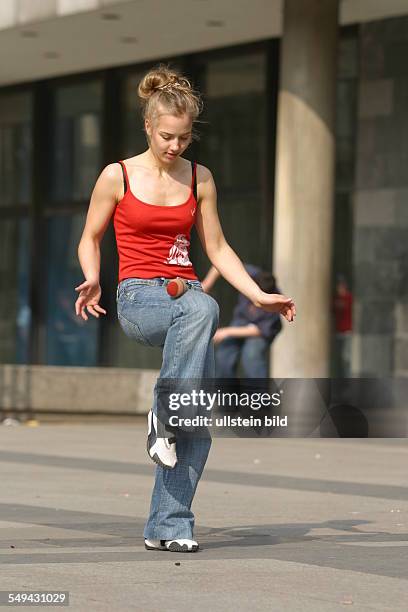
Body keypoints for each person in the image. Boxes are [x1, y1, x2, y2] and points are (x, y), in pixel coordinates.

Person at [74, 65, 296, 554]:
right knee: (203, 309)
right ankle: (164, 413)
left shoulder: (200, 178)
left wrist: (258, 295)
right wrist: (93, 277)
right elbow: (90, 237)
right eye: (166, 136)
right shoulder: (118, 175)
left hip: (186, 300)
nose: (175, 147)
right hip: (138, 298)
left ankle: (168, 524)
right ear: (149, 127)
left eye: (184, 137)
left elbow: (216, 248)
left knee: (195, 422)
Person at [202, 264, 282, 378]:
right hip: (242, 319)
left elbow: (258, 330)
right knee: (224, 353)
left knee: (251, 356)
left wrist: (226, 332)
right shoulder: (249, 274)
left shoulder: (276, 302)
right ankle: (226, 393)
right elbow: (220, 264)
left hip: (259, 331)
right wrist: (207, 284)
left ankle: (258, 395)